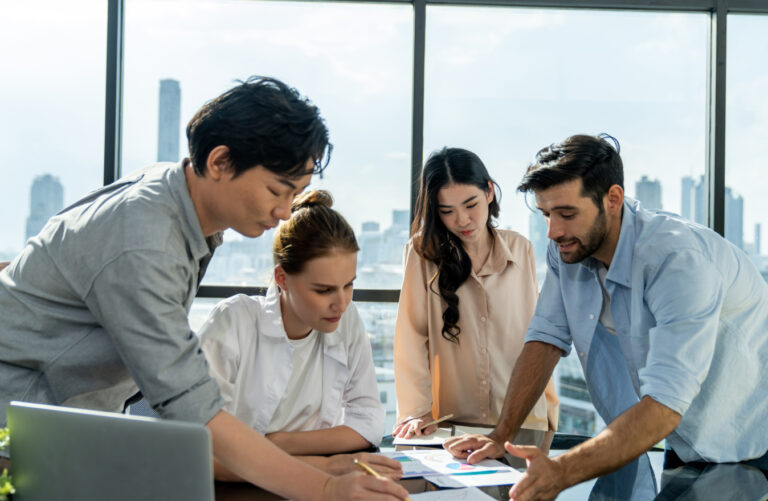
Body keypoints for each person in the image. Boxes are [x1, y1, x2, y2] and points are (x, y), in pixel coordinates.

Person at [0, 76, 409, 501]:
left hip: (60, 428)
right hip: (16, 427)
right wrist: (324, 486)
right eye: (276, 189)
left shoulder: (175, 202)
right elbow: (195, 413)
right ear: (220, 162)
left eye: (295, 194)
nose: (284, 211)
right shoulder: (146, 238)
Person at [444, 134, 768, 501]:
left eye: (567, 214)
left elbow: (664, 401)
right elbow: (546, 339)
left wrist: (561, 472)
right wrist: (501, 436)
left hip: (754, 443)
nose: (553, 231)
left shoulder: (677, 260)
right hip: (688, 440)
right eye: (546, 214)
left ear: (612, 199)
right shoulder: (569, 249)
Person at [199, 189, 401, 480]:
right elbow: (200, 449)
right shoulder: (232, 322)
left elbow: (369, 421)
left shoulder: (346, 319)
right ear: (282, 278)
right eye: (323, 290)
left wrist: (278, 443)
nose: (341, 302)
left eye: (348, 285)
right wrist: (322, 466)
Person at [392, 147, 558, 454]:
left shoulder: (521, 249)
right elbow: (411, 337)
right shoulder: (422, 253)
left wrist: (546, 411)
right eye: (447, 211)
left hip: (523, 421)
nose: (462, 220)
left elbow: (536, 333)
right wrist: (417, 410)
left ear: (490, 192)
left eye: (471, 204)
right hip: (454, 425)